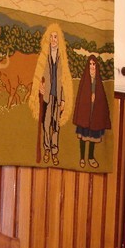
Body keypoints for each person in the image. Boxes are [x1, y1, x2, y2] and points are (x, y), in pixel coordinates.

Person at [35, 24, 72, 167]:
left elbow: (64, 80)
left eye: (55, 37)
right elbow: (38, 74)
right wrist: (39, 85)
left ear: (59, 39)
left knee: (56, 127)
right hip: (46, 97)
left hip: (57, 97)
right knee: (46, 125)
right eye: (51, 37)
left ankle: (55, 153)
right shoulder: (44, 57)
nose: (53, 39)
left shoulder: (62, 59)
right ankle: (46, 150)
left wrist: (63, 99)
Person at [72, 54, 111, 169]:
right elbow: (80, 97)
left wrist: (96, 98)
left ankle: (91, 157)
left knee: (92, 137)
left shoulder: (98, 81)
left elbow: (102, 99)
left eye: (94, 64)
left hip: (94, 114)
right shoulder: (85, 80)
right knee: (83, 136)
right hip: (86, 114)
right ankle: (82, 158)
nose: (92, 67)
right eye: (90, 64)